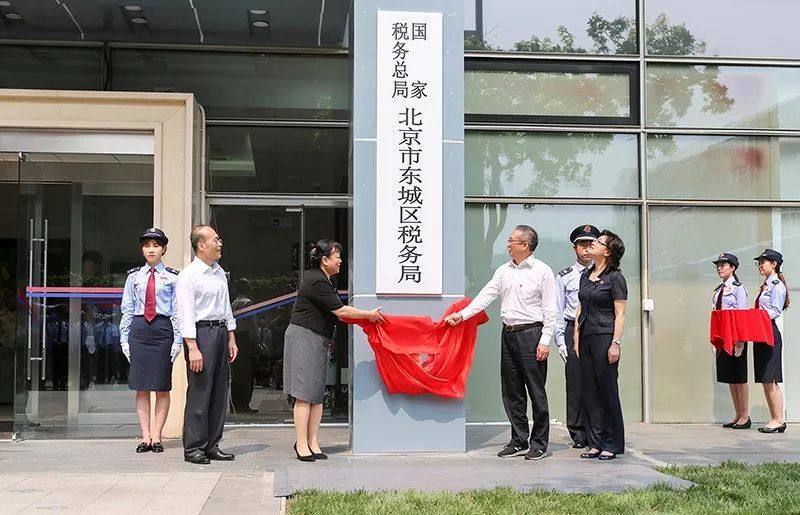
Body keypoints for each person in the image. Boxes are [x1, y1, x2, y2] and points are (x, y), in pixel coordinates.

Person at [445, 225, 556, 461]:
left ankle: (539, 443)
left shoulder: (542, 271)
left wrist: (545, 341)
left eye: (511, 240)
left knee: (536, 391)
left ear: (525, 245)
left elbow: (550, 310)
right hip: (509, 334)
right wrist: (462, 315)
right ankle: (518, 440)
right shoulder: (503, 271)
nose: (507, 244)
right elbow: (486, 296)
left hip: (532, 334)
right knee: (511, 390)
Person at [284, 239, 383, 462]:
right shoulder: (316, 281)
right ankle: (301, 443)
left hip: (316, 339)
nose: (340, 261)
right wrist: (369, 315)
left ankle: (313, 441)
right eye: (336, 256)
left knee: (316, 394)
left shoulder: (325, 281)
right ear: (324, 259)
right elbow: (340, 311)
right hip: (304, 337)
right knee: (304, 393)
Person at [176, 225, 238, 465]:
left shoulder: (219, 272)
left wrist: (231, 336)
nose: (219, 243)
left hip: (221, 332)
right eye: (215, 239)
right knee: (200, 392)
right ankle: (193, 449)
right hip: (201, 334)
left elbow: (226, 308)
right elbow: (185, 313)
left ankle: (213, 445)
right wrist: (192, 347)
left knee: (219, 392)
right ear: (201, 245)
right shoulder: (188, 275)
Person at [119, 228, 182, 454]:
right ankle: (145, 437)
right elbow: (126, 309)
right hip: (139, 330)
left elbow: (177, 311)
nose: (151, 249)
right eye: (147, 245)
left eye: (156, 245)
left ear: (164, 249)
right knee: (141, 388)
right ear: (142, 249)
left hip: (162, 330)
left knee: (162, 387)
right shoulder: (133, 276)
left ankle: (158, 436)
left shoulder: (174, 277)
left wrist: (177, 341)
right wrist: (124, 340)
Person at [574, 229, 627, 461]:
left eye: (597, 242)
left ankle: (612, 443)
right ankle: (595, 442)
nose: (592, 244)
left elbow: (621, 314)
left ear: (607, 251)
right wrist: (576, 337)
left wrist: (615, 343)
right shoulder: (585, 276)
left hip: (605, 336)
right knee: (590, 391)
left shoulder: (615, 278)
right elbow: (580, 308)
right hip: (586, 336)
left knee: (606, 390)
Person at [555, 224, 600, 449]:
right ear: (575, 249)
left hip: (598, 330)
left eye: (591, 244)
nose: (587, 249)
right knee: (576, 384)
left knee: (598, 382)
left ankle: (596, 429)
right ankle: (577, 431)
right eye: (582, 245)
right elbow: (557, 310)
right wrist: (560, 341)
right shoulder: (565, 277)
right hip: (573, 329)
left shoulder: (604, 274)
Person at [710, 253, 750, 429]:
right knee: (730, 377)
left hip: (735, 337)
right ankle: (737, 413)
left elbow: (741, 315)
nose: (719, 268)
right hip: (723, 337)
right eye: (718, 265)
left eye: (723, 265)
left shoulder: (738, 288)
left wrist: (740, 341)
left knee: (740, 377)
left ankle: (745, 415)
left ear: (732, 268)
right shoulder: (719, 290)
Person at [753, 249, 788, 434]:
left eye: (763, 262)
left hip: (769, 331)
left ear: (774, 264)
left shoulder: (776, 286)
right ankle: (774, 417)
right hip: (760, 330)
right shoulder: (766, 285)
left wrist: (758, 317)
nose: (760, 265)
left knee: (771, 378)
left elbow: (775, 311)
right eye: (758, 262)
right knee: (765, 379)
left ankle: (778, 419)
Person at [230, 278, 258, 414]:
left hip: (235, 338)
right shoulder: (247, 303)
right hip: (246, 339)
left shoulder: (233, 303)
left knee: (237, 373)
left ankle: (235, 403)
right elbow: (252, 325)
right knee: (247, 374)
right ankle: (244, 404)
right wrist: (256, 340)